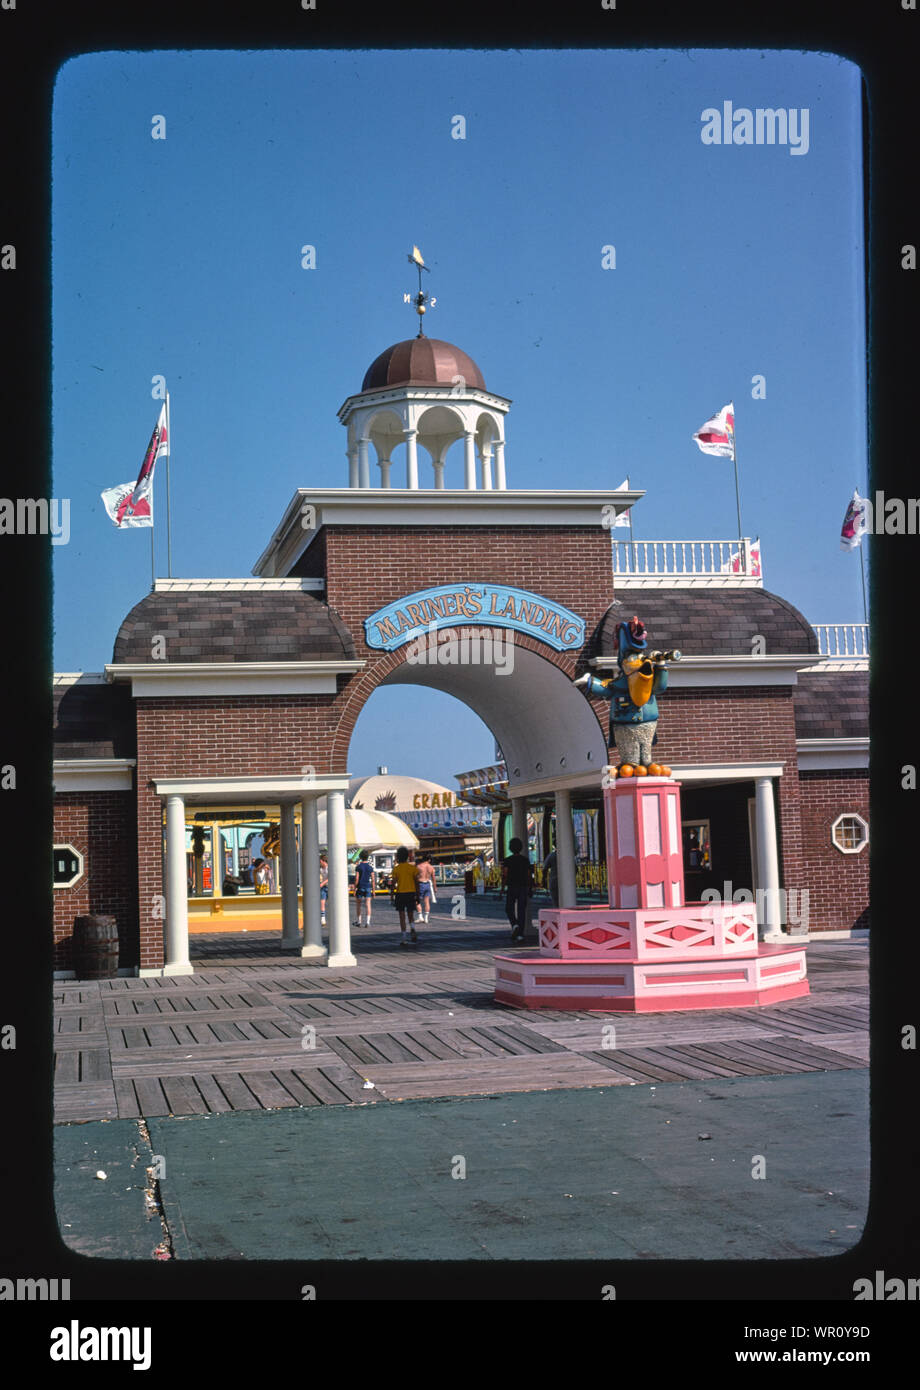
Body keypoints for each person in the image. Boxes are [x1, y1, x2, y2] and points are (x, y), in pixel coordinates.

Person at [502, 837, 533, 943]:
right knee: (521, 911)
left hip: (512, 887)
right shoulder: (525, 860)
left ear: (510, 848)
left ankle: (514, 925)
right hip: (523, 887)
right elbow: (529, 875)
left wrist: (502, 888)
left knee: (508, 908)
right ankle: (520, 935)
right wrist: (530, 888)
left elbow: (505, 875)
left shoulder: (507, 860)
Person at [390, 845, 419, 946]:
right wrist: (418, 896)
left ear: (398, 857)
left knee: (402, 916)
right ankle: (413, 928)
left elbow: (393, 884)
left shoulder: (396, 869)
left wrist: (391, 896)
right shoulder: (412, 868)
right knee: (410, 914)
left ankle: (404, 938)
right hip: (411, 893)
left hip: (400, 894)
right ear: (407, 856)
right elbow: (417, 882)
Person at [353, 850, 376, 928]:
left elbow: (356, 878)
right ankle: (368, 922)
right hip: (368, 887)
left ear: (360, 857)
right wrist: (374, 890)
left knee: (358, 904)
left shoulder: (358, 867)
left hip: (360, 887)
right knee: (368, 904)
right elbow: (373, 879)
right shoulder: (370, 867)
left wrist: (354, 888)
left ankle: (359, 921)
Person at [415, 852, 436, 923]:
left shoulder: (419, 866)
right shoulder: (431, 867)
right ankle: (426, 918)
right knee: (427, 901)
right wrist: (435, 887)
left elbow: (415, 877)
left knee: (417, 901)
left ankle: (420, 917)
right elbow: (433, 879)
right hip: (427, 884)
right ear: (429, 860)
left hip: (420, 884)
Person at [319, 854, 328, 926]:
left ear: (322, 861)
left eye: (320, 862)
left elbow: (330, 878)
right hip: (324, 887)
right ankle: (323, 919)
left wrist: (322, 883)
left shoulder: (328, 868)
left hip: (330, 887)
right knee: (322, 902)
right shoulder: (321, 869)